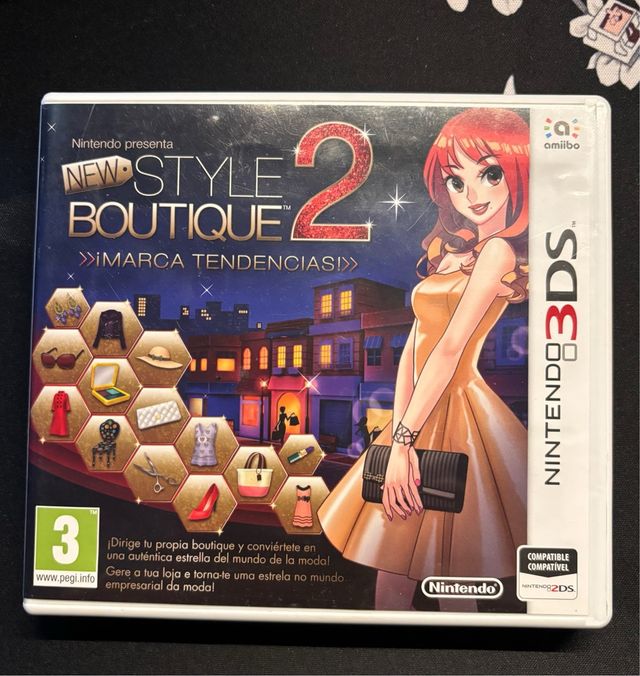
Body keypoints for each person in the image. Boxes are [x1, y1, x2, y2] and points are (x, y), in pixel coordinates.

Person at [317, 108, 529, 612]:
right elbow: (415, 349)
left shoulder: (499, 252)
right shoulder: (452, 252)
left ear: (518, 174)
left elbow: (451, 348)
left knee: (449, 566)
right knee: (394, 568)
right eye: (457, 181)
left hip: (460, 411)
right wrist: (398, 432)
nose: (472, 194)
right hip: (417, 410)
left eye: (490, 173)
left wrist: (404, 441)